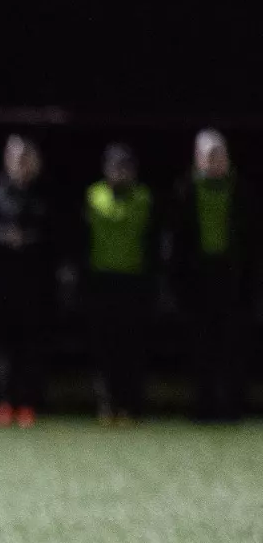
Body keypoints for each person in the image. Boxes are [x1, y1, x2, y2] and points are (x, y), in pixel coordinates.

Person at [0, 134, 53, 426]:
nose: (21, 163)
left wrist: (31, 240)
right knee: (0, 348)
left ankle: (28, 403)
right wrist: (3, 239)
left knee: (31, 347)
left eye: (26, 157)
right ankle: (3, 403)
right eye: (16, 157)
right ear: (7, 160)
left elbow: (60, 237)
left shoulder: (45, 197)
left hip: (35, 288)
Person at [168, 130, 253, 422]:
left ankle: (232, 407)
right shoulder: (185, 189)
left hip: (233, 276)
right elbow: (177, 239)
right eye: (208, 155)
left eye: (218, 153)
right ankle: (203, 407)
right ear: (197, 158)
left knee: (232, 345)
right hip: (198, 277)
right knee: (201, 345)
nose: (214, 160)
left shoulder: (241, 189)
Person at [84, 143, 155, 423]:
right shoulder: (93, 196)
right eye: (116, 166)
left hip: (134, 282)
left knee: (132, 347)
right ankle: (106, 404)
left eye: (126, 167)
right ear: (106, 170)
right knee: (104, 348)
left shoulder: (144, 198)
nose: (120, 172)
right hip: (102, 282)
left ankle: (131, 405)